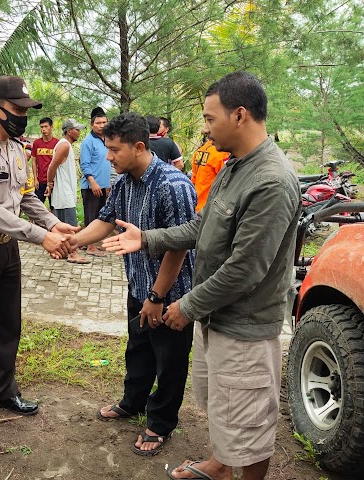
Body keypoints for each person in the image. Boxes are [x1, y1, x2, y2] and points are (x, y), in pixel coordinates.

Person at [102, 72, 302, 480]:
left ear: (240, 114)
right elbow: (200, 228)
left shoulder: (271, 181)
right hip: (218, 316)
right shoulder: (235, 168)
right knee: (223, 403)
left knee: (248, 420)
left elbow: (246, 269)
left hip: (244, 324)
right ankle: (219, 464)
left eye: (210, 119)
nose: (206, 129)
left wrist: (186, 305)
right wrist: (147, 239)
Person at [0, 75, 80, 454]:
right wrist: (43, 237)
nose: (23, 116)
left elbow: (26, 196)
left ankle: (3, 393)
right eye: (18, 110)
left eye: (26, 110)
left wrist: (54, 222)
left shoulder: (17, 148)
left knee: (7, 326)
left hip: (8, 249)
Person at [68, 112, 197, 456]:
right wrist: (73, 241)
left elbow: (179, 245)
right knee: (138, 348)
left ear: (139, 147)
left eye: (114, 150)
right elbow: (105, 221)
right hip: (138, 284)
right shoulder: (125, 183)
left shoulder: (174, 185)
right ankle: (133, 401)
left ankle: (161, 422)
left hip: (170, 294)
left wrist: (157, 296)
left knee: (170, 360)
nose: (108, 156)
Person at [46, 118, 89, 264]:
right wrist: (49, 184)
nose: (79, 132)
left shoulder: (66, 145)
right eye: (77, 129)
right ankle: (73, 253)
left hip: (65, 192)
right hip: (64, 193)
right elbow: (52, 167)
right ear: (69, 131)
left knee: (64, 225)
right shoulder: (64, 145)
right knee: (71, 225)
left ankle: (62, 251)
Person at [79, 107, 110, 256]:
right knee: (91, 216)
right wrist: (93, 182)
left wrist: (107, 185)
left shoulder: (107, 139)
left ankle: (94, 243)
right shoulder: (88, 141)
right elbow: (84, 164)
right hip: (91, 186)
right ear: (92, 124)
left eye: (104, 122)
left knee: (100, 216)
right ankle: (90, 246)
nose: (102, 125)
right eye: (98, 123)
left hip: (103, 186)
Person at [190, 139, 228, 213]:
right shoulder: (220, 153)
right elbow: (227, 180)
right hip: (210, 207)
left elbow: (194, 178)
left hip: (197, 203)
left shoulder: (200, 151)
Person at [31, 117, 58, 207]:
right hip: (40, 181)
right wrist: (35, 178)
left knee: (54, 207)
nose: (43, 129)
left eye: (46, 126)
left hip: (54, 181)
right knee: (37, 207)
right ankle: (35, 222)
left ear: (51, 127)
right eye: (42, 127)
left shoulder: (57, 143)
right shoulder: (36, 143)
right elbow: (34, 161)